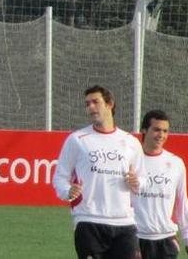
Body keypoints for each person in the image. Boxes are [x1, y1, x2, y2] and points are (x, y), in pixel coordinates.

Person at [52, 85, 145, 259]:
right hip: (88, 221)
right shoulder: (77, 139)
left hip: (125, 223)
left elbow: (144, 180)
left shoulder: (131, 142)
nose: (91, 107)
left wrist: (137, 182)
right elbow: (59, 177)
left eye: (96, 102)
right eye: (87, 104)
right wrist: (67, 191)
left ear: (110, 104)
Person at [132, 110, 188, 259]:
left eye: (165, 131)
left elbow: (182, 201)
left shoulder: (176, 163)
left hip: (166, 240)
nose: (161, 135)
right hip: (134, 239)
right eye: (156, 130)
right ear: (144, 130)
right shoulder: (129, 160)